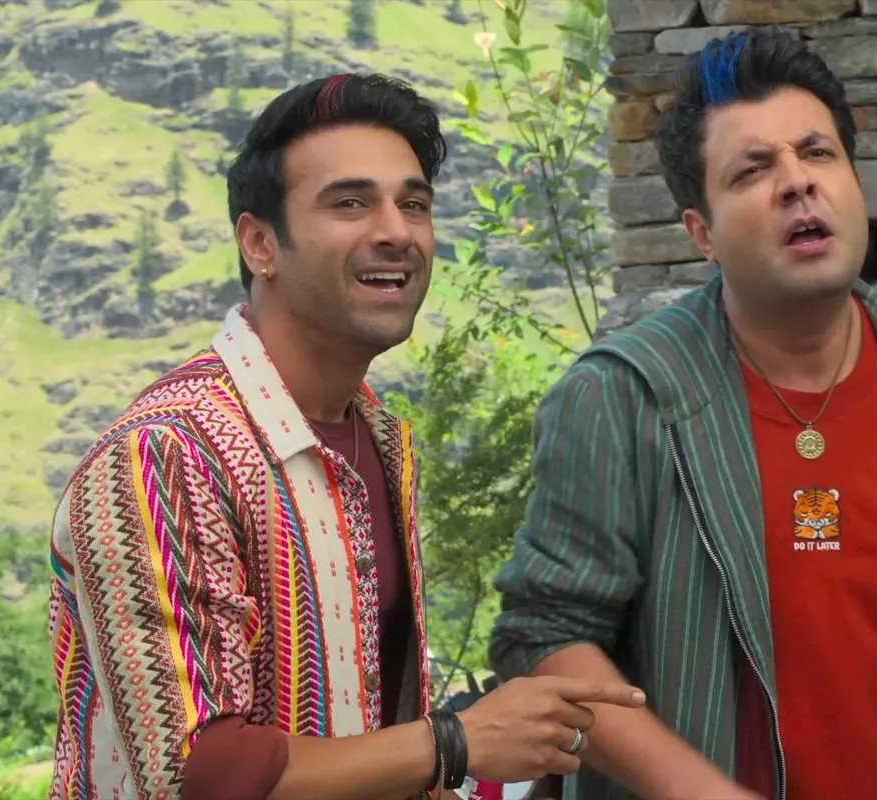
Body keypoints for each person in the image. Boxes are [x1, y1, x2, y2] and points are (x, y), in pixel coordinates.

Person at [487, 29, 877, 800]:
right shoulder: (621, 400)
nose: (797, 183)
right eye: (752, 170)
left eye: (818, 153)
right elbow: (544, 636)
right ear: (703, 233)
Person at [47, 73, 645, 800]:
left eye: (414, 204)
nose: (396, 231)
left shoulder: (380, 439)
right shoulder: (167, 453)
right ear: (260, 244)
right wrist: (457, 742)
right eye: (351, 203)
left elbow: (373, 729)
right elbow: (196, 772)